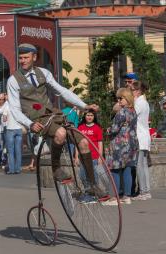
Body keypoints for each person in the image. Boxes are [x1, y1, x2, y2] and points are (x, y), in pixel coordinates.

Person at [7, 43, 103, 203]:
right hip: (37, 119)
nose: (22, 61)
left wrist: (84, 105)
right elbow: (15, 109)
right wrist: (29, 124)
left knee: (84, 142)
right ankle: (56, 168)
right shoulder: (13, 80)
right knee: (61, 133)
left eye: (26, 57)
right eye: (21, 58)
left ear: (34, 57)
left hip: (54, 115)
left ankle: (92, 185)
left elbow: (62, 91)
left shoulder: (43, 73)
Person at [105, 88, 138, 205]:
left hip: (120, 144)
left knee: (115, 169)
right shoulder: (133, 111)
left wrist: (108, 130)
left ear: (127, 98)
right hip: (132, 143)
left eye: (121, 98)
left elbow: (114, 129)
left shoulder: (122, 112)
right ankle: (127, 196)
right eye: (118, 98)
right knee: (127, 169)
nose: (118, 100)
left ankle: (114, 197)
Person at [130, 81, 152, 201]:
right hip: (143, 137)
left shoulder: (139, 102)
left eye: (132, 90)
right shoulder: (143, 102)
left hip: (140, 137)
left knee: (140, 166)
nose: (130, 92)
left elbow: (131, 115)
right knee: (143, 165)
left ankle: (144, 191)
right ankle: (146, 191)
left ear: (137, 91)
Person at [76, 110, 103, 188]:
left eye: (91, 115)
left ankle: (95, 193)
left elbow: (100, 143)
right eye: (88, 115)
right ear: (84, 116)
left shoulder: (97, 128)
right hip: (82, 157)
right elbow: (77, 143)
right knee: (83, 176)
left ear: (94, 117)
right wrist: (76, 156)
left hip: (94, 157)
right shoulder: (80, 127)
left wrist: (100, 157)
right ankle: (87, 192)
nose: (89, 117)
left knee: (93, 176)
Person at [3, 99, 23, 174]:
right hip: (19, 129)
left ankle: (11, 170)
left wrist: (6, 117)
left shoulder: (7, 106)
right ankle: (18, 169)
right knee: (18, 150)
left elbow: (4, 119)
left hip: (10, 129)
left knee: (11, 151)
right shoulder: (19, 106)